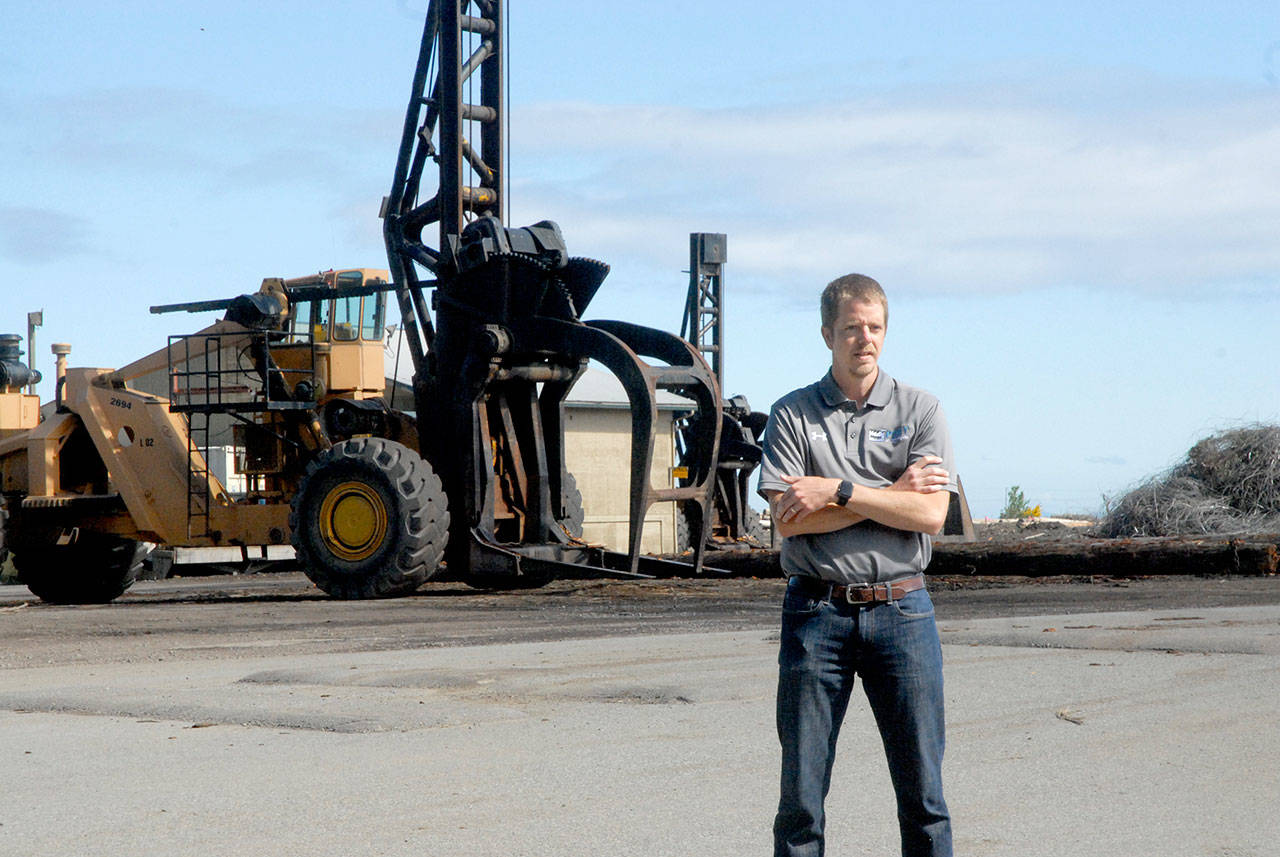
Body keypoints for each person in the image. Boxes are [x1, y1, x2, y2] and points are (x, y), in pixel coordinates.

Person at [758, 273, 955, 857]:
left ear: (885, 332)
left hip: (904, 613)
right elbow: (788, 521)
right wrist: (892, 492)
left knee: (924, 799)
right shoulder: (792, 415)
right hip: (816, 615)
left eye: (873, 328)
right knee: (801, 799)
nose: (863, 339)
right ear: (827, 334)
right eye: (850, 328)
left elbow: (930, 516)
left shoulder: (922, 410)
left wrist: (838, 491)